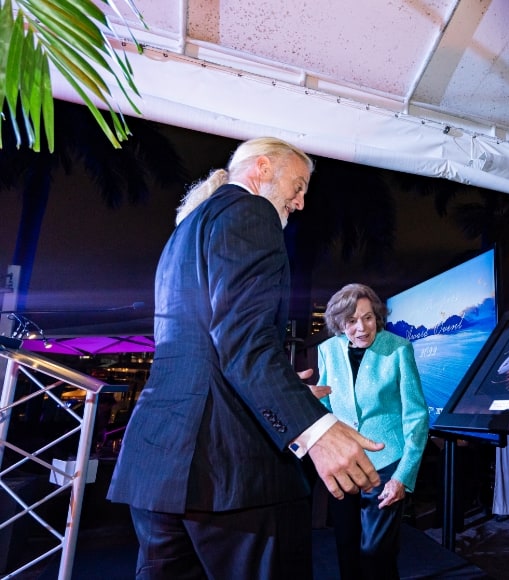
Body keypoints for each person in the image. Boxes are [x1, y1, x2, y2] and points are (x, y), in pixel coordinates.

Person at [107, 137, 384, 579]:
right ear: (260, 169)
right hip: (231, 477)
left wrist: (282, 392)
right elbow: (243, 341)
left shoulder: (183, 233)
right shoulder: (251, 213)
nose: (301, 201)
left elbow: (205, 353)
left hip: (160, 470)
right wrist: (315, 429)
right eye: (297, 185)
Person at [316, 283, 429, 579]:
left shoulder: (399, 349)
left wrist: (402, 476)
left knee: (376, 555)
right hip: (344, 466)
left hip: (385, 466)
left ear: (377, 316)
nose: (361, 328)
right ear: (339, 324)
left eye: (367, 317)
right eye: (351, 321)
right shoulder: (327, 350)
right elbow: (325, 406)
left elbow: (416, 418)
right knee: (346, 548)